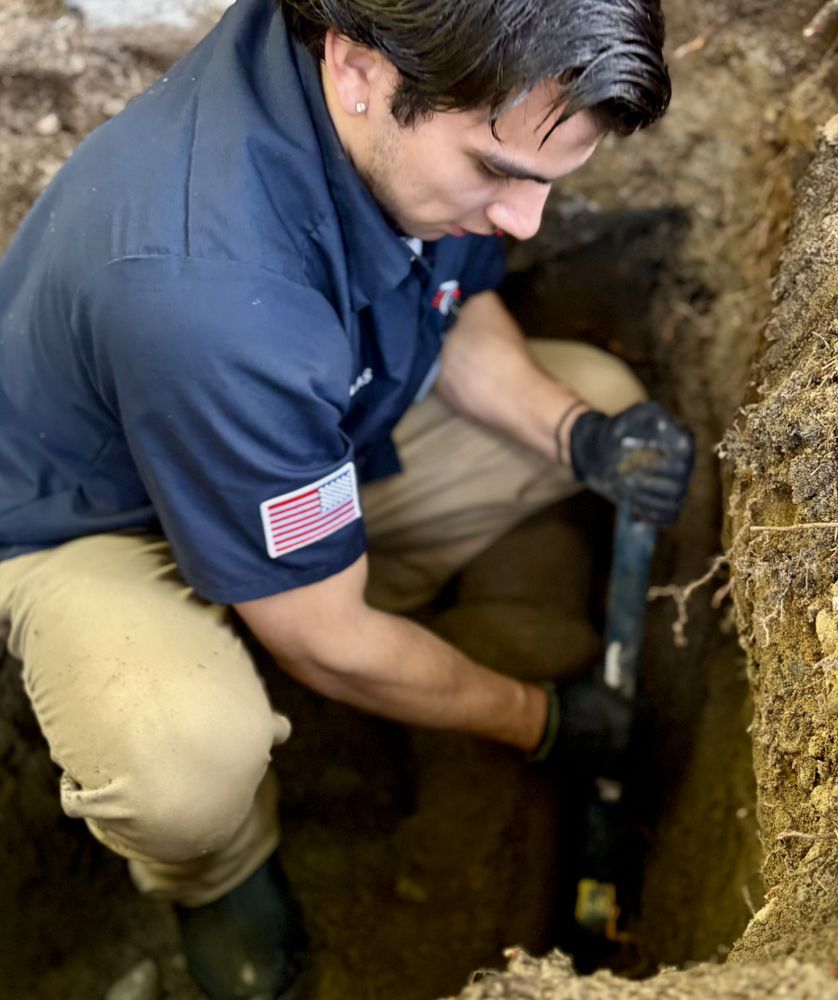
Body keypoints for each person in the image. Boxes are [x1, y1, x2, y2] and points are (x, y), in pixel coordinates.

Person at [0, 0, 693, 996]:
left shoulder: (413, 60)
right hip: (97, 516)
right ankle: (218, 875)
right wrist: (538, 718)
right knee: (182, 764)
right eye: (499, 173)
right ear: (359, 70)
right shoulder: (212, 293)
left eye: (545, 182)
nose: (524, 219)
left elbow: (451, 301)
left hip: (301, 420)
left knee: (606, 401)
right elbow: (322, 638)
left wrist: (578, 433)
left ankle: (397, 598)